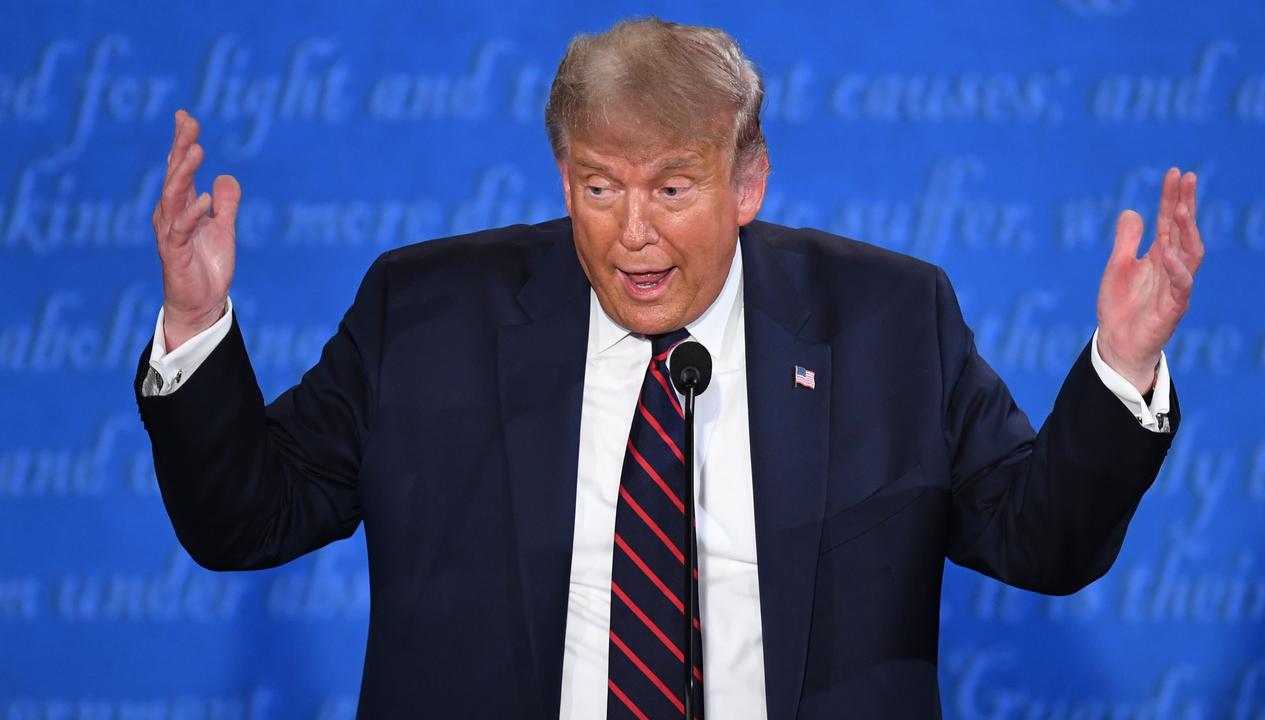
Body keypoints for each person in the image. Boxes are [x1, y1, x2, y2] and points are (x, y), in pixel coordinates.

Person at [136, 18, 1202, 720]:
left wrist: (1123, 359)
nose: (631, 235)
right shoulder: (427, 317)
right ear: (562, 174)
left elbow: (1039, 540)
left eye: (671, 189)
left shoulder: (885, 322)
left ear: (747, 183)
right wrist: (195, 319)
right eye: (599, 189)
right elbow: (246, 520)